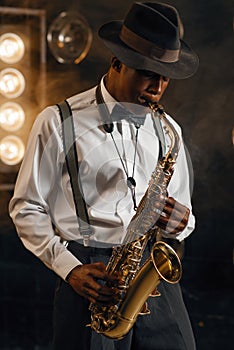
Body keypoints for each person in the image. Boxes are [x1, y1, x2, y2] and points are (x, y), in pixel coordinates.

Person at [9, 2, 199, 350]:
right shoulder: (58, 122)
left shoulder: (168, 129)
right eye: (147, 74)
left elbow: (185, 218)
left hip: (152, 275)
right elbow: (26, 208)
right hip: (91, 278)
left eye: (165, 77)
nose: (158, 89)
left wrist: (180, 220)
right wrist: (69, 268)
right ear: (116, 63)